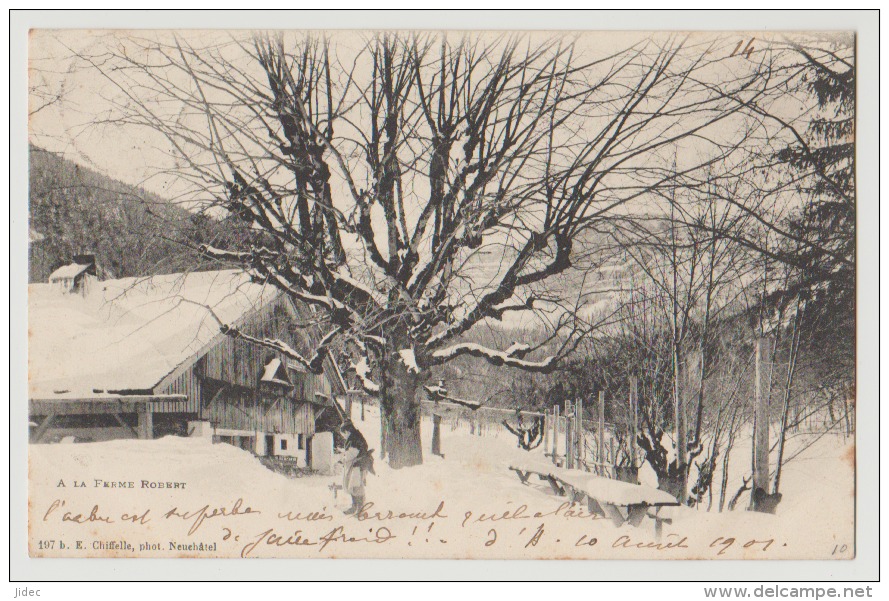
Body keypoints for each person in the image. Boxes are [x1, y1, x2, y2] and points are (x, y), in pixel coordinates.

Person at [339, 422, 374, 515]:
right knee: (353, 487)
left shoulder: (354, 439)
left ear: (347, 431)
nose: (343, 437)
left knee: (356, 486)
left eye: (343, 434)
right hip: (357, 465)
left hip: (359, 466)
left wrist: (342, 458)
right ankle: (355, 507)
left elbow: (351, 454)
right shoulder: (355, 437)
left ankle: (360, 509)